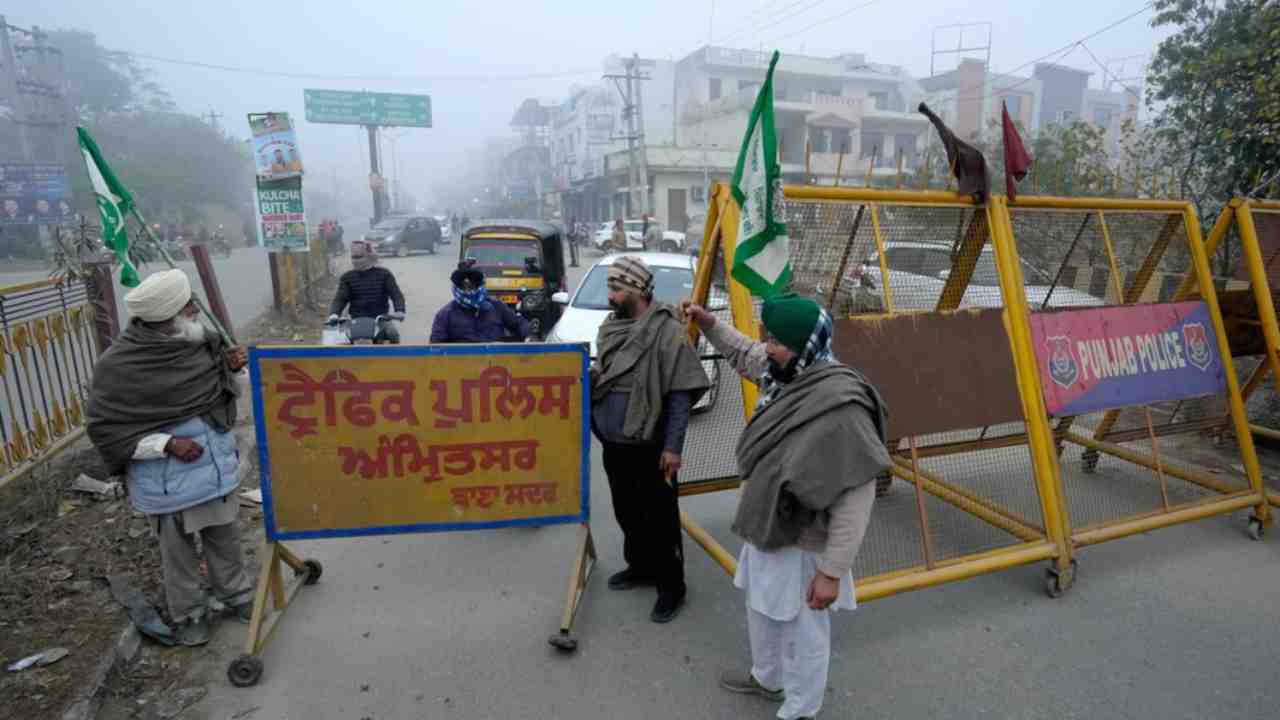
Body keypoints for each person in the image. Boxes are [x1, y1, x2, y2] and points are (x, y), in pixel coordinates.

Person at [684, 293, 888, 720]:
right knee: (762, 609)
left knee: (803, 630)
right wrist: (708, 324)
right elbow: (744, 352)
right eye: (768, 337)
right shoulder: (786, 372)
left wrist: (831, 573)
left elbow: (856, 499)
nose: (767, 346)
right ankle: (768, 679)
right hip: (767, 523)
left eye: (777, 340)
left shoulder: (841, 407)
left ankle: (801, 709)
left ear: (806, 343)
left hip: (806, 542)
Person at [86, 270, 253, 647]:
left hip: (213, 468)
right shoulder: (119, 366)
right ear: (165, 319)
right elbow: (107, 429)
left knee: (224, 539)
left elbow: (227, 391)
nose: (197, 310)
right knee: (177, 555)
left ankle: (237, 595)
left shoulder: (200, 342)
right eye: (189, 307)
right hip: (166, 481)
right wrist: (165, 444)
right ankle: (190, 612)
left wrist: (232, 366)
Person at [592, 256, 710, 623]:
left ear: (638, 291)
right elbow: (606, 372)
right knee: (626, 512)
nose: (610, 296)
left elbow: (679, 395)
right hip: (614, 442)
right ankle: (640, 567)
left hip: (653, 445)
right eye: (610, 288)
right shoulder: (612, 327)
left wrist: (673, 448)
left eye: (617, 289)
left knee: (660, 519)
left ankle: (671, 587)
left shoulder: (667, 331)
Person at [328, 240, 406, 343]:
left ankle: (393, 359)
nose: (355, 261)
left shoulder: (384, 274)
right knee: (337, 340)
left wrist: (399, 310)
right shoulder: (347, 278)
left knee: (393, 334)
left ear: (369, 256)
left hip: (380, 319)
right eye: (353, 257)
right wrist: (334, 314)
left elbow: (396, 294)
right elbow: (340, 298)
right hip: (355, 321)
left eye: (359, 257)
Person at [430, 264, 529, 342]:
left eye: (472, 286)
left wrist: (529, 335)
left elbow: (518, 323)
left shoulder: (497, 306)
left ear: (479, 285)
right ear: (457, 288)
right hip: (461, 364)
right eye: (464, 287)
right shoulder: (445, 314)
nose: (468, 290)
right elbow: (436, 347)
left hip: (495, 363)